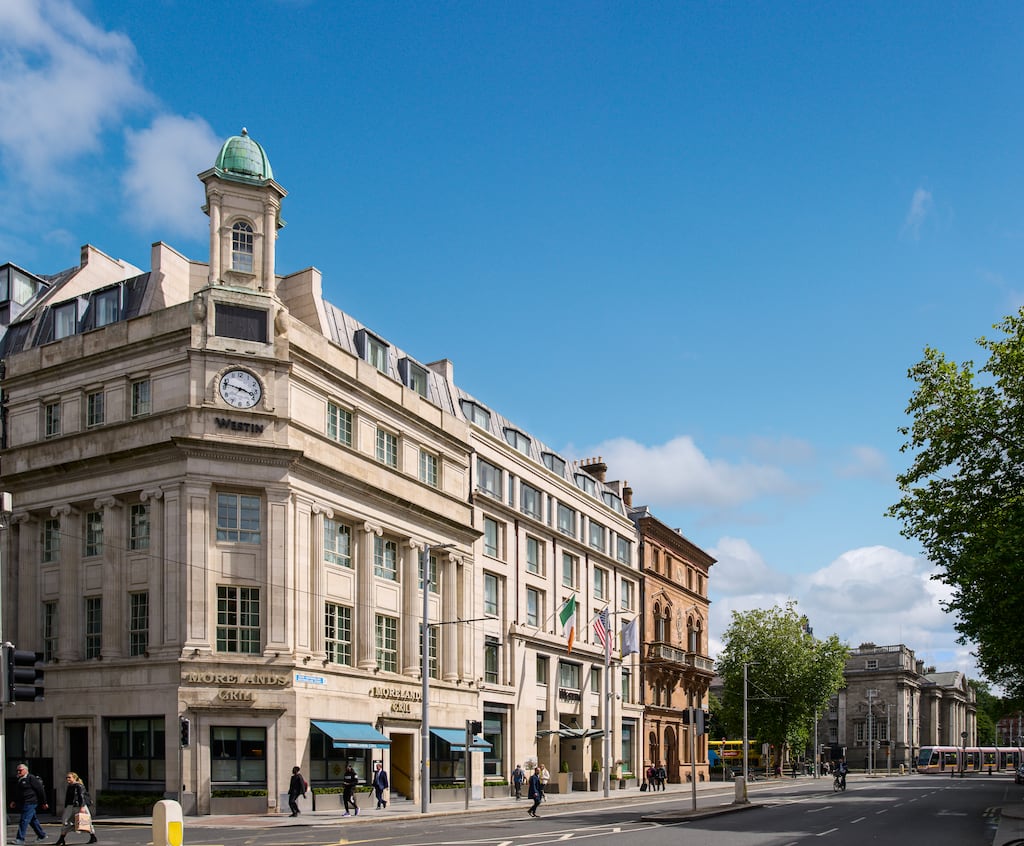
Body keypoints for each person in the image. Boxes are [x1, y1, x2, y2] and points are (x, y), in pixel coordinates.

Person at [10, 762, 48, 845]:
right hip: (23, 803)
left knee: (24, 820)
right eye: (17, 771)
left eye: (20, 770)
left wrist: (44, 802)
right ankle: (42, 835)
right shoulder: (20, 779)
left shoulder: (31, 778)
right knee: (33, 820)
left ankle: (20, 839)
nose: (18, 772)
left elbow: (40, 790)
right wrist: (14, 801)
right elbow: (18, 792)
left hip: (30, 802)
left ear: (26, 770)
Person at [55, 772, 96, 845]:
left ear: (74, 778)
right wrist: (66, 807)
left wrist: (82, 807)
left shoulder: (79, 786)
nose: (68, 779)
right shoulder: (70, 786)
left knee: (84, 822)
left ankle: (93, 836)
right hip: (70, 806)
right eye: (67, 777)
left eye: (69, 777)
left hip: (79, 806)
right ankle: (61, 839)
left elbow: (81, 796)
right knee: (65, 822)